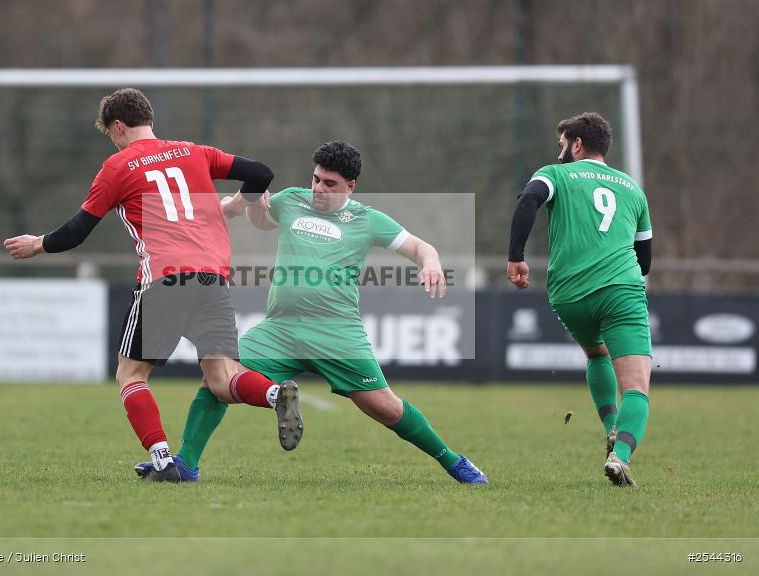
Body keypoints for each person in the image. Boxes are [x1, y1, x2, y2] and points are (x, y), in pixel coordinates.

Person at [138, 140, 488, 485]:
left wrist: (432, 263)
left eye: (330, 183)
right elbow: (261, 221)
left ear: (350, 186)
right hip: (281, 330)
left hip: (337, 334)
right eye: (316, 179)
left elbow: (418, 246)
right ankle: (186, 464)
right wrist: (255, 205)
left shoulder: (367, 219)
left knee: (387, 409)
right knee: (219, 378)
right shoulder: (291, 199)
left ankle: (454, 462)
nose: (319, 188)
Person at [3, 88, 302, 483]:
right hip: (213, 279)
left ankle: (162, 461)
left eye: (111, 133)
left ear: (120, 126)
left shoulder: (117, 167)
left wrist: (38, 244)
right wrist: (240, 204)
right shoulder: (193, 152)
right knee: (222, 379)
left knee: (131, 375)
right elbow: (261, 173)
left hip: (165, 279)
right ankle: (273, 395)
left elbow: (77, 231)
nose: (112, 140)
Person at [507, 112, 652, 487]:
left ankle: (609, 426)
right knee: (635, 387)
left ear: (577, 144)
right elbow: (645, 259)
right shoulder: (632, 189)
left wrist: (516, 256)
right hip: (620, 290)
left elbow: (528, 202)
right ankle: (619, 456)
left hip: (568, 294)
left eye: (562, 146)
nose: (559, 154)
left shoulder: (555, 175)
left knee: (596, 354)